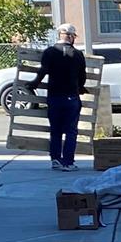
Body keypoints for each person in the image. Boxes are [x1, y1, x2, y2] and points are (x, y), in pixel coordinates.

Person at [28, 25, 88, 170]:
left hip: (54, 97)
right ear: (71, 36)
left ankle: (55, 159)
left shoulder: (50, 52)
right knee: (71, 131)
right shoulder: (78, 54)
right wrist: (80, 88)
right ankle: (68, 162)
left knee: (55, 130)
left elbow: (43, 71)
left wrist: (34, 84)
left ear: (59, 35)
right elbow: (82, 77)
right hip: (71, 97)